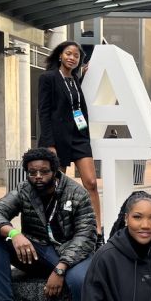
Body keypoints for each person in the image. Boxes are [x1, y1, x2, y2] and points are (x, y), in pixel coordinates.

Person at [0, 148, 96, 301]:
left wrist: (61, 268)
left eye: (44, 171)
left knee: (79, 280)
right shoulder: (24, 189)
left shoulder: (77, 193)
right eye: (32, 172)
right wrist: (14, 233)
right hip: (39, 252)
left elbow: (86, 236)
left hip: (72, 254)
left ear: (55, 171)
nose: (38, 176)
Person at [37, 40, 103, 244]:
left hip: (79, 137)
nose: (72, 57)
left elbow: (77, 106)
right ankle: (53, 231)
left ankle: (97, 231)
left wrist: (86, 71)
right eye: (68, 53)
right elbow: (44, 112)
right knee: (56, 188)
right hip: (57, 139)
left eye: (76, 55)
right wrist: (49, 145)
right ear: (60, 55)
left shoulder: (75, 79)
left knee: (91, 183)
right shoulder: (48, 78)